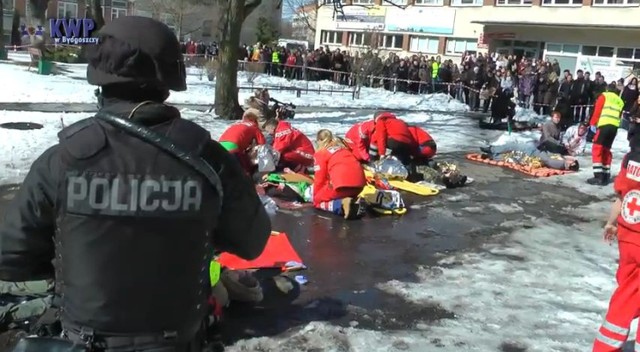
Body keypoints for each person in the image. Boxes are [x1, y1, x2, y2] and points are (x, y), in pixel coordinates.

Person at [0, 16, 271, 351]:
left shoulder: (63, 160)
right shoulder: (207, 158)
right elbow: (253, 241)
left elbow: (11, 257)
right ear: (169, 80)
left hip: (84, 341)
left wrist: (73, 258)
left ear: (99, 77)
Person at [592, 125, 640, 352]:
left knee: (628, 291)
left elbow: (621, 197)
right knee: (629, 296)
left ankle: (606, 344)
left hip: (628, 238)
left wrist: (611, 223)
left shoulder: (630, 159)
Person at [313, 130, 367, 219]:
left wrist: (316, 196)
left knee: (318, 202)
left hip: (341, 186)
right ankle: (353, 202)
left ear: (319, 141)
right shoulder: (343, 149)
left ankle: (341, 205)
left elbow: (320, 178)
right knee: (336, 193)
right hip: (359, 185)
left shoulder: (321, 154)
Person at [588, 83, 624, 185]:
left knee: (597, 148)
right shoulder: (619, 100)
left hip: (604, 125)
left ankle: (598, 176)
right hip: (614, 128)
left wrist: (592, 124)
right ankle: (606, 175)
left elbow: (597, 111)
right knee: (606, 150)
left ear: (607, 89)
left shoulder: (604, 96)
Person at [218, 108, 266, 175]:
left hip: (220, 145)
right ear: (255, 121)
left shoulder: (236, 124)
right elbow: (263, 144)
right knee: (245, 170)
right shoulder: (253, 126)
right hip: (233, 146)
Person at [480, 142, 580, 171]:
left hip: (533, 154)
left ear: (571, 164)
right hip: (535, 151)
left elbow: (547, 160)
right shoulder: (562, 159)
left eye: (573, 161)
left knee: (512, 147)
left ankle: (492, 151)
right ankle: (492, 154)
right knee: (511, 153)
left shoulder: (561, 163)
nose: (572, 159)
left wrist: (542, 150)